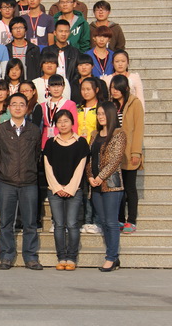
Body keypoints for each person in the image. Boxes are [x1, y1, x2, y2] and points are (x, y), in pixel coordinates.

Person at [0, 93, 42, 270]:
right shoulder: (0, 131)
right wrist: (7, 169)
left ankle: (31, 257)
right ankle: (6, 256)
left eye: (22, 104)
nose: (18, 107)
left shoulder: (34, 130)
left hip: (29, 182)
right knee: (6, 222)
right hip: (7, 182)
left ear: (27, 108)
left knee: (30, 223)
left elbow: (37, 155)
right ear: (8, 107)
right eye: (14, 104)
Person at [43, 109, 90, 271]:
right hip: (54, 190)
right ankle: (61, 257)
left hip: (74, 190)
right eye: (59, 121)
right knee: (59, 225)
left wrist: (70, 188)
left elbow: (81, 167)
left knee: (72, 224)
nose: (63, 124)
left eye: (66, 121)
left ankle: (71, 257)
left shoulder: (81, 143)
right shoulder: (50, 143)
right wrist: (57, 187)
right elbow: (47, 167)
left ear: (72, 123)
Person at [86, 102, 126, 272]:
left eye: (103, 113)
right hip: (95, 185)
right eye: (98, 114)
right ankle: (113, 257)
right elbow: (89, 158)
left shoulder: (118, 134)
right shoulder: (94, 134)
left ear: (111, 114)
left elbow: (115, 160)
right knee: (103, 222)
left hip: (111, 185)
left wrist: (100, 177)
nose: (100, 117)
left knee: (111, 222)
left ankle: (111, 257)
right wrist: (90, 176)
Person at [111, 75, 144, 234]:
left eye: (117, 88)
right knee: (118, 188)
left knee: (130, 188)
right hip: (115, 152)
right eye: (112, 88)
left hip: (130, 151)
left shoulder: (135, 103)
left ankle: (131, 220)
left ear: (125, 88)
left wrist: (136, 152)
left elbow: (138, 129)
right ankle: (119, 219)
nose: (114, 91)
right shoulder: (111, 104)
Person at [77, 77, 103, 235]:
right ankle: (85, 220)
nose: (85, 92)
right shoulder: (77, 108)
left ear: (96, 90)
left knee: (94, 187)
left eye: (89, 89)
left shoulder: (100, 108)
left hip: (95, 151)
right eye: (83, 89)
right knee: (82, 188)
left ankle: (95, 221)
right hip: (79, 152)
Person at [39, 74, 78, 148]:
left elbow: (74, 125)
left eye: (59, 86)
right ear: (48, 87)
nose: (56, 89)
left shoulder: (70, 104)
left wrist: (73, 141)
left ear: (63, 87)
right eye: (53, 86)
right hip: (45, 141)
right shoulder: (42, 105)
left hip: (64, 140)